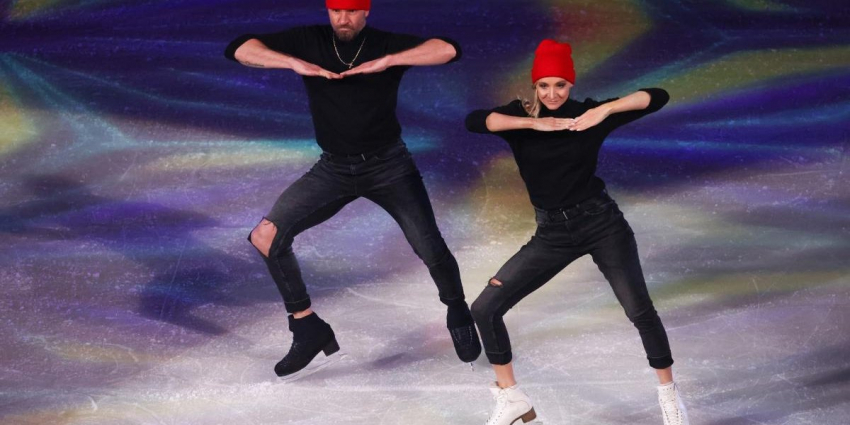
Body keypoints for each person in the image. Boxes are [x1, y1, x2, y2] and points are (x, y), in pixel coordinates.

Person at [223, 0, 481, 380]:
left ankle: (457, 310)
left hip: (389, 167)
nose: (343, 19)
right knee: (266, 236)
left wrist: (388, 62)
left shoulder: (384, 44)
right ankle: (307, 327)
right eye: (336, 11)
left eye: (351, 11)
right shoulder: (309, 41)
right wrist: (292, 63)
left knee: (429, 247)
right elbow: (239, 48)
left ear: (366, 12)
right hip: (334, 169)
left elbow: (448, 49)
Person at [465, 40, 689, 425]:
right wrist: (532, 123)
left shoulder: (588, 115)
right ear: (534, 85)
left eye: (560, 85)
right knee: (484, 308)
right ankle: (511, 397)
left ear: (571, 84)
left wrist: (606, 109)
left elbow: (657, 96)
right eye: (544, 85)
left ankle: (669, 395)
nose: (552, 94)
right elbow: (475, 121)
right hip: (552, 234)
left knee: (639, 310)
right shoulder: (520, 116)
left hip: (602, 225)